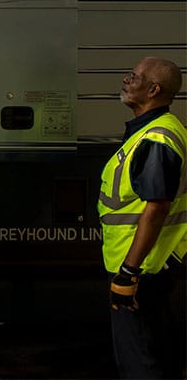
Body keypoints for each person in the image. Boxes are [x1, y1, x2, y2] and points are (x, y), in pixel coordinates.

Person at [99, 57, 186, 379]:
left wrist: (127, 274)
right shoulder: (155, 131)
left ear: (153, 89)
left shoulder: (156, 139)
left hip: (141, 268)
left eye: (133, 76)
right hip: (154, 263)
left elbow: (157, 207)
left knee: (140, 360)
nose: (126, 80)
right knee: (159, 350)